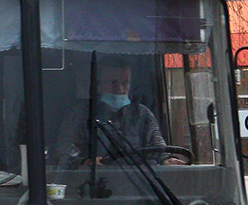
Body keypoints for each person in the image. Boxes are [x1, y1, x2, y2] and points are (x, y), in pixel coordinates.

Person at [51, 59, 184, 168]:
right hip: (94, 187)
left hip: (140, 186)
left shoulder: (142, 114)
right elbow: (63, 154)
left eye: (125, 83)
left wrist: (168, 159)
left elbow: (158, 148)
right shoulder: (80, 114)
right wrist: (86, 162)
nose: (120, 89)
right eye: (113, 83)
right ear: (99, 85)